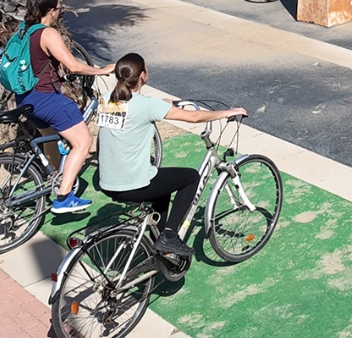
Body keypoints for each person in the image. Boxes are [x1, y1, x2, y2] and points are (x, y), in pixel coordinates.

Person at [96, 53, 249, 258]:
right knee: (190, 178)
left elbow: (134, 112)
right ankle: (169, 237)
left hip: (107, 181)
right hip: (131, 184)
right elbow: (193, 117)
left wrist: (163, 104)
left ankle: (156, 241)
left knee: (162, 188)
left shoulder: (108, 98)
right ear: (142, 75)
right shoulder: (147, 105)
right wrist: (225, 113)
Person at [12, 0, 115, 214]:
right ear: (50, 11)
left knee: (50, 137)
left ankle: (55, 179)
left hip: (25, 98)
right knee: (83, 141)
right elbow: (73, 66)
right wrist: (101, 70)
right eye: (59, 8)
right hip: (46, 97)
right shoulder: (47, 33)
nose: (60, 12)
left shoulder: (22, 30)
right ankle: (64, 197)